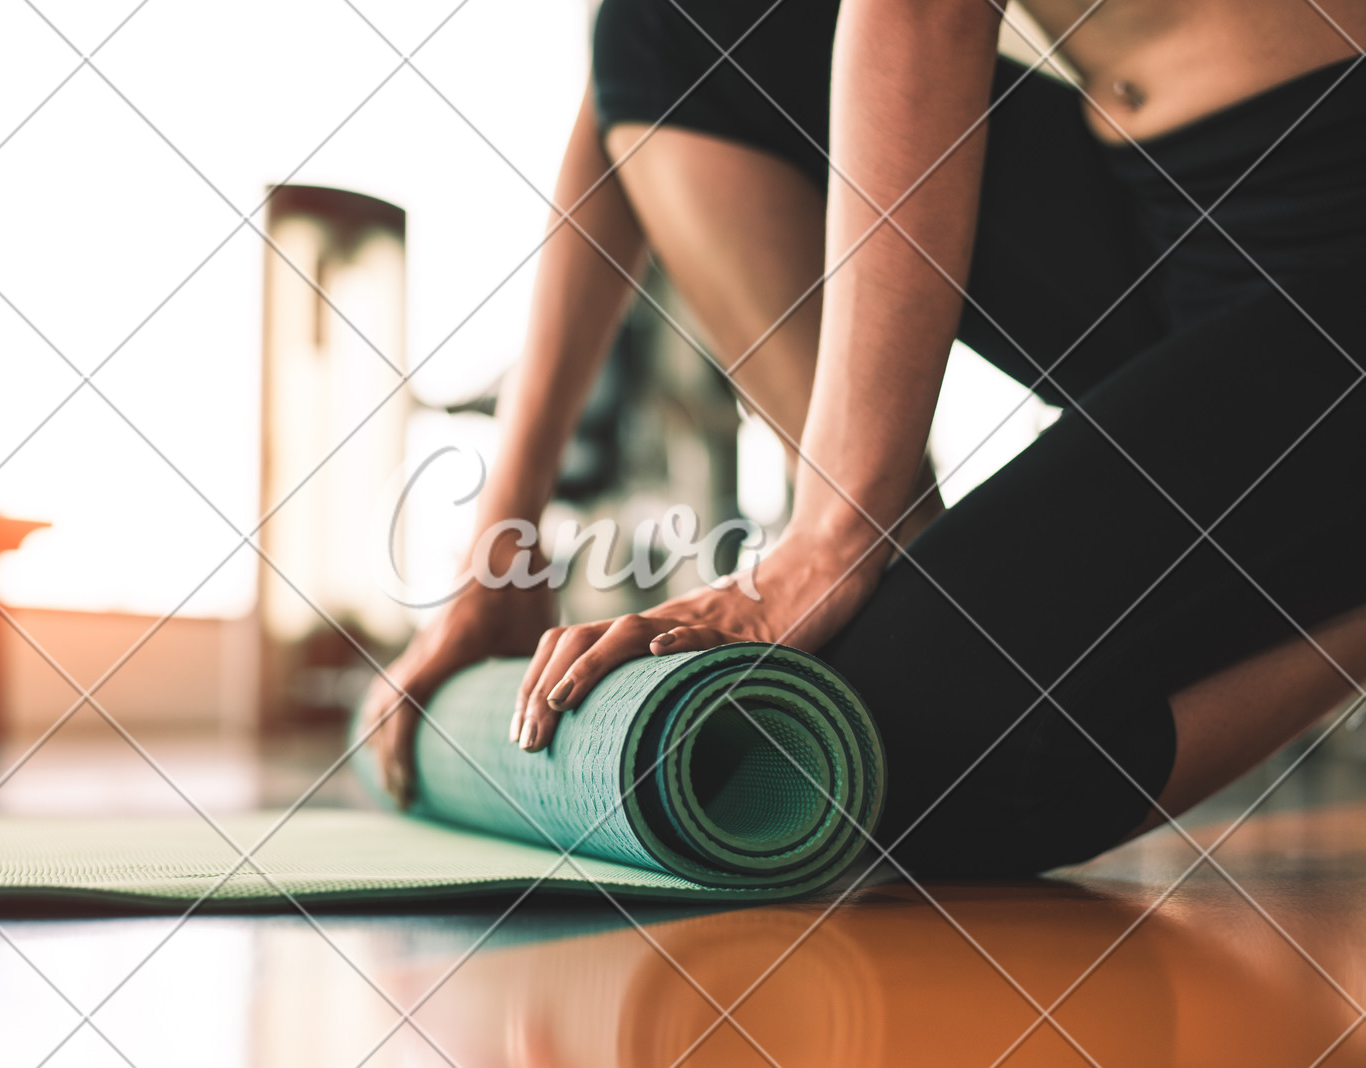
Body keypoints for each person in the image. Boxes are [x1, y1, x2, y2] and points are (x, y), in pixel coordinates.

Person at [362, 0, 1366, 874]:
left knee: (900, 754)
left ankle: (876, 574)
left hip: (1335, 240)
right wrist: (500, 556)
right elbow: (633, 77)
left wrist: (826, 539)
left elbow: (924, 12)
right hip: (1161, 214)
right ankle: (893, 568)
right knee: (669, 22)